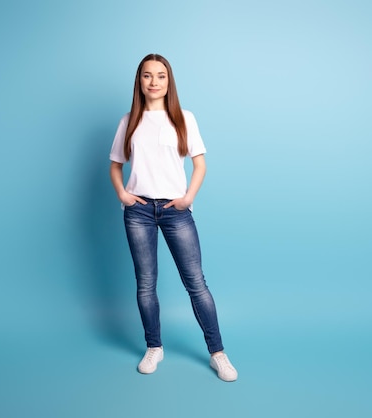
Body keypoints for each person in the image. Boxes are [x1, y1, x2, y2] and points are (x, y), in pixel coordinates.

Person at [109, 53, 238, 382]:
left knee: (196, 284)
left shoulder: (184, 118)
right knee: (145, 285)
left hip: (174, 210)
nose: (154, 82)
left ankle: (218, 353)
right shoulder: (129, 121)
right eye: (148, 76)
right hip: (138, 212)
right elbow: (116, 165)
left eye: (161, 76)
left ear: (170, 81)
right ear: (139, 81)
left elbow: (200, 164)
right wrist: (124, 195)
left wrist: (188, 198)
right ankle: (154, 347)